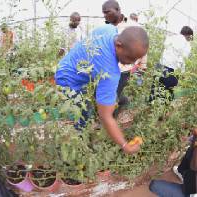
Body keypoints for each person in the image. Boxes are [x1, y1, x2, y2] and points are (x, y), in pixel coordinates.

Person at [55, 24, 149, 154]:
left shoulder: (108, 29)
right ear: (119, 45)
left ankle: (80, 140)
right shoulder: (110, 72)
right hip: (67, 81)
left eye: (135, 60)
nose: (131, 63)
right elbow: (105, 116)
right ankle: (74, 149)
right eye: (129, 58)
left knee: (87, 110)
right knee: (83, 115)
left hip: (67, 64)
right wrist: (125, 145)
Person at [102, 0, 147, 109]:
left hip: (124, 68)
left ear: (118, 10)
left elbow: (142, 45)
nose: (105, 15)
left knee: (114, 95)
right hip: (108, 67)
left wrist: (143, 64)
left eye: (107, 12)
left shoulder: (133, 26)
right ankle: (124, 102)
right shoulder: (106, 28)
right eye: (103, 13)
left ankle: (110, 120)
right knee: (105, 93)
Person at [149, 26, 193, 102]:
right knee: (167, 94)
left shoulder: (170, 38)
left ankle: (151, 106)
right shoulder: (187, 44)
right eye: (191, 37)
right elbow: (182, 60)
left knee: (155, 89)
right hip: (172, 70)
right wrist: (182, 73)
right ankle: (162, 111)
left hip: (160, 66)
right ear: (188, 36)